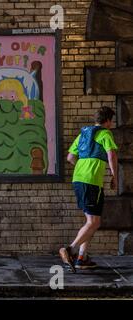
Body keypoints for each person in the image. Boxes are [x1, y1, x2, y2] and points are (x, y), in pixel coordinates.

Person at [59, 106, 118, 272]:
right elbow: (111, 155)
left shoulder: (83, 134)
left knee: (91, 222)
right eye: (111, 121)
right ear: (107, 121)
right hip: (91, 181)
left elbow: (70, 157)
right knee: (94, 222)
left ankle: (82, 258)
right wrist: (114, 176)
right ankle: (70, 249)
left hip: (78, 179)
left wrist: (83, 166)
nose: (111, 124)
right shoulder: (105, 133)